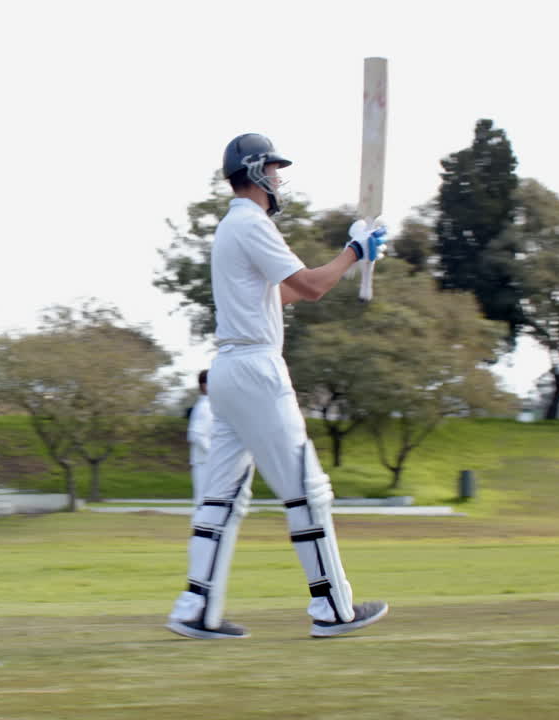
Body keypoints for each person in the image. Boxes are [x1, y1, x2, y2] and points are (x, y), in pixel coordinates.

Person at [165, 133, 389, 640]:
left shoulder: (232, 227)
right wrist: (354, 250)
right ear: (258, 171)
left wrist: (352, 258)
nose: (280, 179)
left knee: (220, 498)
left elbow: (285, 294)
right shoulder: (251, 221)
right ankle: (333, 608)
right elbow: (310, 285)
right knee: (307, 491)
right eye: (276, 169)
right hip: (256, 369)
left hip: (227, 372)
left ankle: (195, 607)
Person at [186, 369, 213, 506]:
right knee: (203, 503)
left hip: (209, 462)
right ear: (205, 386)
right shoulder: (204, 407)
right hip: (204, 462)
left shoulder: (211, 406)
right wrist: (213, 452)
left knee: (210, 503)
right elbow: (195, 434)